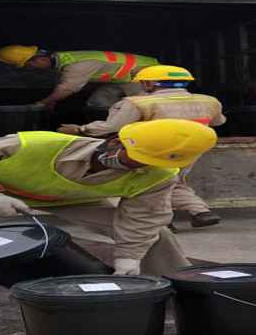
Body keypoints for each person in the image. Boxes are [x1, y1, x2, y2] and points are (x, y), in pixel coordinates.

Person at [0, 119, 217, 332]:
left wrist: (129, 255)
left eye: (147, 164)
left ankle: (179, 291)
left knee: (155, 236)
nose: (136, 168)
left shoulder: (159, 173)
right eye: (134, 159)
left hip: (74, 197)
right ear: (116, 140)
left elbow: (143, 217)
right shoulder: (33, 144)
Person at [57, 65, 226, 229]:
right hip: (192, 148)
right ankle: (200, 211)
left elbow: (112, 126)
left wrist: (81, 129)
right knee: (172, 180)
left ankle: (162, 222)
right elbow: (219, 121)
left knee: (153, 183)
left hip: (152, 149)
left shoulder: (137, 103)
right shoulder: (209, 101)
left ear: (150, 83)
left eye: (142, 82)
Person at [0, 45, 160, 110]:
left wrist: (41, 103)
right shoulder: (64, 60)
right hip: (124, 79)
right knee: (98, 102)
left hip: (146, 74)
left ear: (39, 59)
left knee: (139, 106)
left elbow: (67, 88)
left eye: (29, 65)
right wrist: (52, 100)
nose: (31, 69)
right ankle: (109, 132)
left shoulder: (77, 64)